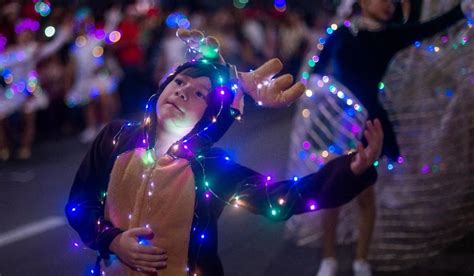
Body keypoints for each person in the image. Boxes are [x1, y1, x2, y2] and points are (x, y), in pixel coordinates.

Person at [65, 29, 383, 275]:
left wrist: (350, 170)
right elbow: (80, 205)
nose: (183, 90)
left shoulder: (209, 167)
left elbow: (282, 198)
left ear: (211, 115)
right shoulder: (115, 137)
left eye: (200, 93)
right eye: (178, 82)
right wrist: (113, 240)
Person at [286, 0, 470, 275]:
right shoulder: (340, 32)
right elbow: (316, 71)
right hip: (336, 124)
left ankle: (361, 259)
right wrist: (315, 98)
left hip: (368, 126)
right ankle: (329, 259)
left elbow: (430, 27)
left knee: (365, 195)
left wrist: (461, 9)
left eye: (393, 1)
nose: (389, 5)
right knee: (330, 193)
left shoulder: (390, 35)